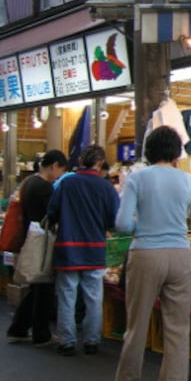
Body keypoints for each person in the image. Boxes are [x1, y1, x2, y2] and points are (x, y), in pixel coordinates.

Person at [113, 126, 191, 381]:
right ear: (176, 152)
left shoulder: (137, 178)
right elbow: (184, 214)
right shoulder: (188, 180)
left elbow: (122, 224)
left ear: (148, 151)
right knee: (177, 329)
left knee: (138, 324)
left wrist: (144, 225)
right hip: (181, 254)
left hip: (146, 253)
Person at [47, 145, 119, 357]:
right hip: (95, 250)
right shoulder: (106, 187)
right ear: (99, 163)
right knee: (94, 297)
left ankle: (67, 341)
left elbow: (52, 212)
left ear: (80, 160)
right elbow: (114, 221)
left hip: (68, 249)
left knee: (67, 296)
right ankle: (92, 341)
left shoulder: (67, 183)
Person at [6, 150, 68, 345]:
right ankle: (41, 334)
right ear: (54, 165)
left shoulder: (29, 182)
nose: (60, 175)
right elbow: (55, 214)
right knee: (43, 287)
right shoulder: (44, 188)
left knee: (37, 287)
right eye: (61, 170)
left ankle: (18, 328)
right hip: (43, 240)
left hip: (31, 238)